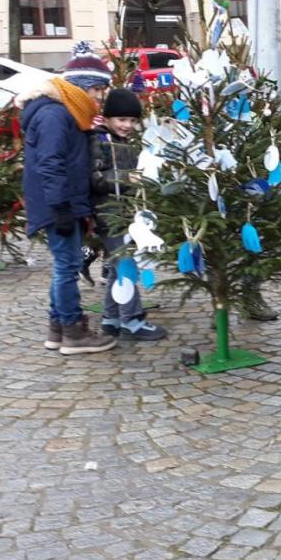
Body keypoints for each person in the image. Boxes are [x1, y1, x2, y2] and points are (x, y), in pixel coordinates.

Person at [19, 77, 116, 355]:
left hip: (63, 200)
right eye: (95, 89)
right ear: (79, 87)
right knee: (68, 265)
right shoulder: (54, 114)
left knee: (66, 263)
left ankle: (58, 328)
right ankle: (74, 332)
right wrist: (60, 207)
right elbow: (50, 163)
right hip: (58, 203)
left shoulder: (64, 112)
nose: (98, 96)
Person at [89, 89, 168, 342]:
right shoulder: (98, 140)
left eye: (133, 121)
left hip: (127, 213)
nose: (128, 126)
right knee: (125, 264)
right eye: (122, 120)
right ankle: (132, 320)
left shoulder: (129, 143)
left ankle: (111, 319)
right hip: (108, 213)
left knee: (116, 264)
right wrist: (126, 177)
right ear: (108, 118)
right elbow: (94, 178)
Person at [61, 40, 112, 107]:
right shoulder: (56, 113)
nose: (100, 96)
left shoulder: (79, 110)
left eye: (103, 90)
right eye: (97, 89)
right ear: (79, 85)